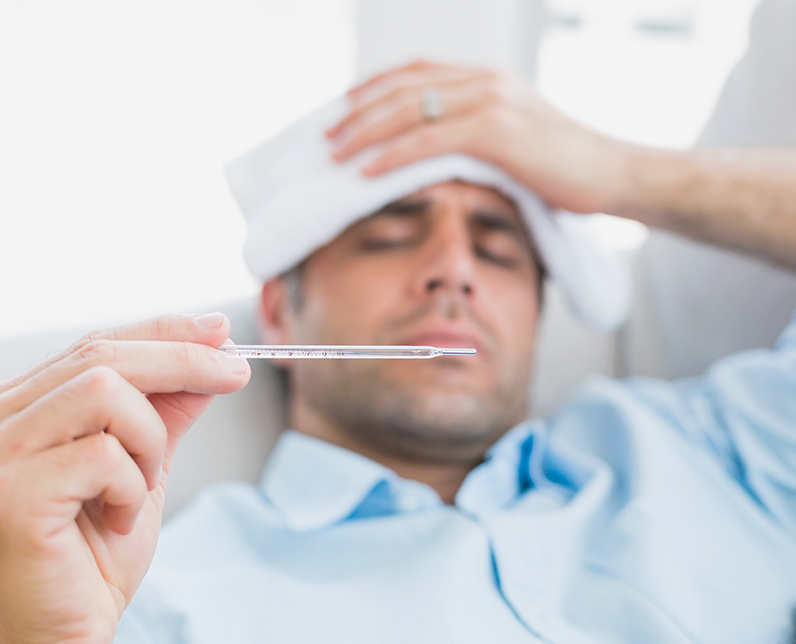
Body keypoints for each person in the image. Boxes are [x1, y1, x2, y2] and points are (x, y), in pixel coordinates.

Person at [0, 61, 794, 644]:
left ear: (540, 317)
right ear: (278, 312)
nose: (453, 269)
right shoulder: (140, 596)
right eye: (391, 236)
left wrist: (624, 174)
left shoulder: (728, 444)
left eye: (500, 249)